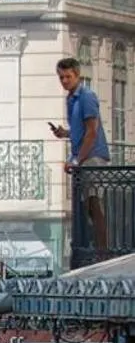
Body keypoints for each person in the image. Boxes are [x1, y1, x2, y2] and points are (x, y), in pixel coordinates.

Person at [54, 57, 112, 255]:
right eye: (61, 77)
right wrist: (65, 133)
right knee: (87, 206)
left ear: (77, 75)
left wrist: (77, 160)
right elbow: (81, 130)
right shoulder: (71, 99)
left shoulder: (86, 96)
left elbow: (92, 131)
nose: (64, 81)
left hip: (93, 156)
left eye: (68, 77)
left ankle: (102, 252)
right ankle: (97, 250)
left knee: (94, 204)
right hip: (83, 156)